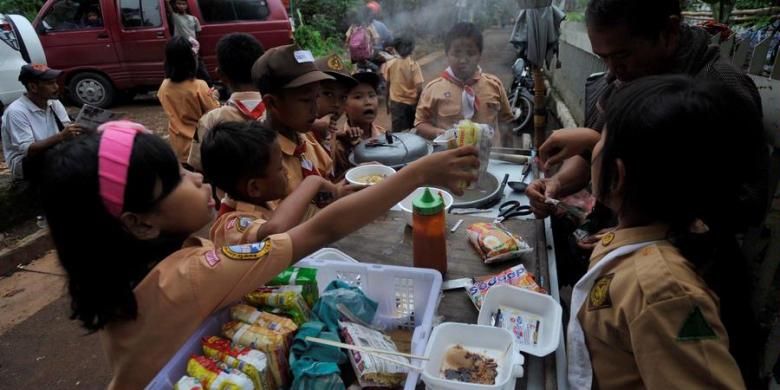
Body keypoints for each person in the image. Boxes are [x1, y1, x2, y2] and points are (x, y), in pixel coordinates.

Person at [38, 119, 478, 389]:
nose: (195, 177)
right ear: (139, 222)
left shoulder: (120, 278)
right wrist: (418, 172)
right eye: (176, 178)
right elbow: (324, 228)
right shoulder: (192, 277)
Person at [568, 75, 758, 389]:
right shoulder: (647, 238)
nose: (593, 145)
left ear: (616, 176)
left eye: (600, 138)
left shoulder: (662, 292)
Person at [528, 0, 766, 225]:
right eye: (603, 58)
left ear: (669, 32)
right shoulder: (626, 75)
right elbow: (590, 155)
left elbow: (746, 205)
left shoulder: (720, 90)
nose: (613, 70)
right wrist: (555, 183)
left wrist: (598, 142)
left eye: (622, 55)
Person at [202, 121, 342, 246]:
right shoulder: (231, 223)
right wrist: (312, 182)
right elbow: (274, 229)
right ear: (255, 187)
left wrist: (338, 193)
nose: (286, 172)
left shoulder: (261, 201)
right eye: (280, 168)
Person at [252, 44, 352, 197]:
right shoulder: (263, 161)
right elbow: (277, 219)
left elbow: (327, 183)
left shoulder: (305, 138)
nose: (315, 108)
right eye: (306, 100)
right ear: (272, 103)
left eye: (317, 97)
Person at [415, 22, 514, 145]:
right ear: (447, 55)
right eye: (456, 53)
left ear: (479, 55)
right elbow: (420, 123)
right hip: (449, 158)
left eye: (470, 53)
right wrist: (439, 133)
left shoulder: (494, 85)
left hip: (490, 157)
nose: (463, 60)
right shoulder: (433, 89)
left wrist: (507, 151)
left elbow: (506, 121)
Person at [187, 33, 265, 172]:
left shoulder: (210, 121)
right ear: (262, 71)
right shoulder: (279, 111)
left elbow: (199, 166)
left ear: (221, 75)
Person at [1, 64, 84, 182]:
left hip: (54, 151)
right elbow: (29, 149)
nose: (56, 87)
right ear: (33, 87)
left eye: (55, 82)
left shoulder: (53, 102)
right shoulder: (16, 112)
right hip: (26, 162)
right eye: (50, 83)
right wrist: (61, 136)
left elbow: (67, 127)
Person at [157, 36, 219, 163]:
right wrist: (215, 98)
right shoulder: (199, 86)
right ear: (191, 60)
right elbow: (215, 113)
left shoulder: (164, 86)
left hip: (178, 147)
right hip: (199, 147)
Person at [310, 54, 358, 158]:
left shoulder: (330, 130)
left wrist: (343, 138)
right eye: (328, 94)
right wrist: (311, 126)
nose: (336, 104)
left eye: (343, 97)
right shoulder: (300, 134)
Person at [165, 0, 212, 85]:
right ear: (175, 6)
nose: (181, 6)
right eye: (179, 4)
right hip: (180, 46)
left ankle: (209, 85)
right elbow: (170, 9)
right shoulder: (175, 17)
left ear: (186, 6)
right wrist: (167, 2)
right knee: (183, 66)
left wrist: (194, 44)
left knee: (198, 66)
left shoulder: (193, 18)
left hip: (192, 46)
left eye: (183, 4)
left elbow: (197, 32)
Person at [384, 35, 424, 132]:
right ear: (411, 48)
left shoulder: (390, 64)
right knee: (413, 130)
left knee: (397, 133)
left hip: (396, 104)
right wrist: (419, 104)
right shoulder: (413, 64)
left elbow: (387, 85)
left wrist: (387, 103)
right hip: (411, 104)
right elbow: (419, 87)